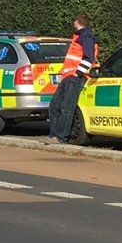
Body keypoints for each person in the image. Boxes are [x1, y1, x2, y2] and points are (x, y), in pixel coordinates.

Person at [46, 12, 98, 144]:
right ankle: (54, 135)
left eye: (73, 21)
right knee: (55, 105)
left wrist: (78, 73)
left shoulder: (86, 36)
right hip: (69, 76)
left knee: (66, 109)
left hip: (75, 77)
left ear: (77, 22)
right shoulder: (80, 36)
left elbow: (89, 58)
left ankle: (61, 137)